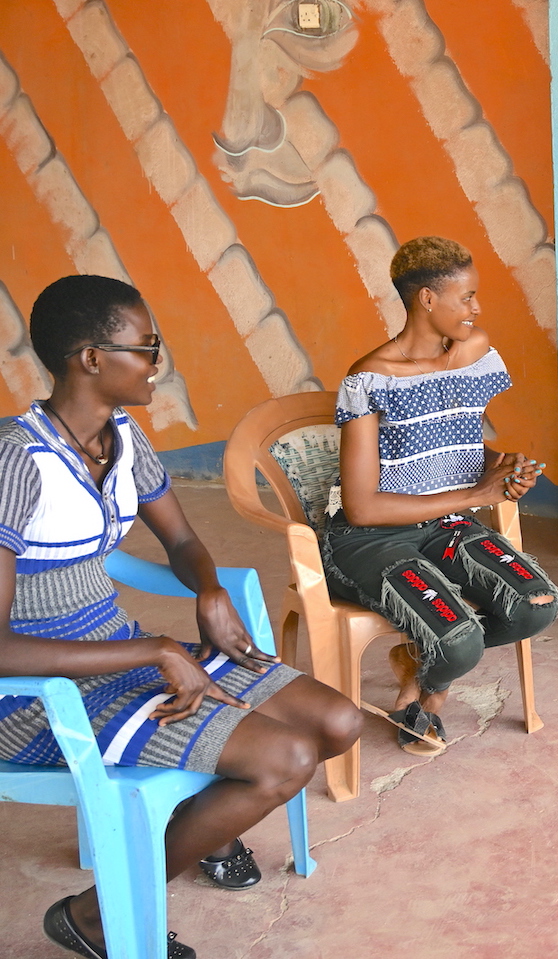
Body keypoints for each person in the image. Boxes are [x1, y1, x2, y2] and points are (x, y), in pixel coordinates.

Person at [0, 275, 362, 959]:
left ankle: (204, 822)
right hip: (37, 696)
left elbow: (186, 542)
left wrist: (207, 592)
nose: (158, 363)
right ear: (90, 358)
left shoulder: (122, 439)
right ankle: (100, 914)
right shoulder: (16, 461)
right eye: (147, 347)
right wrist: (157, 651)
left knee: (337, 721)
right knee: (285, 758)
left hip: (117, 650)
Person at [322, 236, 558, 754]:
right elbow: (362, 506)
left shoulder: (473, 356)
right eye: (466, 296)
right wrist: (476, 494)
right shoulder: (368, 379)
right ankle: (429, 700)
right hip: (369, 540)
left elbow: (452, 442)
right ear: (428, 299)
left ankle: (420, 664)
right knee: (460, 638)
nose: (476, 308)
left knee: (537, 605)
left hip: (443, 525)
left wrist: (504, 469)